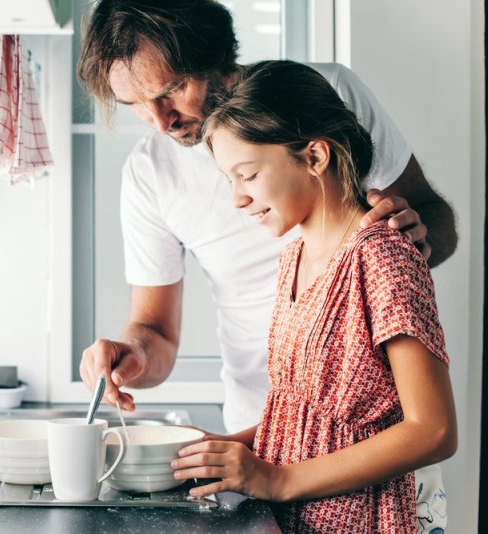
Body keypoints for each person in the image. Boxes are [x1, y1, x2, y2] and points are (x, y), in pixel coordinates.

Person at [76, 0, 455, 529]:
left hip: (361, 475)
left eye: (168, 91)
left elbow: (431, 428)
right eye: (134, 104)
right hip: (269, 441)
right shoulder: (286, 252)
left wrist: (409, 246)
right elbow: (157, 332)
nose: (158, 121)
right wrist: (137, 359)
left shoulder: (327, 98)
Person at [168, 59, 457, 532]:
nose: (237, 198)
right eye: (229, 180)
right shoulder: (293, 259)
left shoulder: (383, 257)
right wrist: (224, 449)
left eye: (248, 174)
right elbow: (302, 415)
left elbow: (435, 430)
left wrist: (277, 480)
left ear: (315, 157)